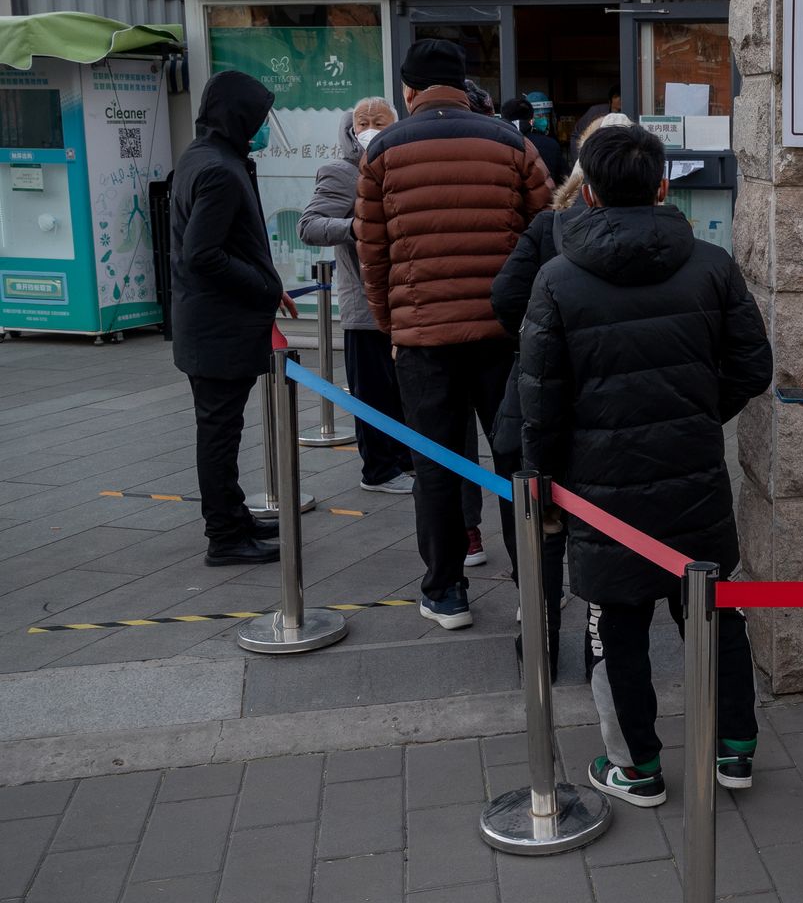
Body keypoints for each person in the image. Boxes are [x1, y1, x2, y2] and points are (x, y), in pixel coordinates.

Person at [519, 123, 771, 809]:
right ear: (663, 185)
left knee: (614, 624)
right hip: (693, 476)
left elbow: (538, 402)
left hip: (599, 492)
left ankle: (638, 768)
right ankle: (735, 750)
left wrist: (542, 482)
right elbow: (754, 366)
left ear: (588, 192)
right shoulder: (711, 264)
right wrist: (695, 413)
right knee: (713, 611)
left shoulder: (558, 279)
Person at [356, 38, 552, 630]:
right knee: (518, 462)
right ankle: (533, 589)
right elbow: (545, 235)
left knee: (435, 466)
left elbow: (374, 254)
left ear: (409, 92)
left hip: (423, 342)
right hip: (503, 337)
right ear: (464, 86)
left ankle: (446, 592)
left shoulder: (383, 152)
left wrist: (395, 327)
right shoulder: (510, 143)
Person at [491, 110, 632, 669]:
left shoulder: (551, 228)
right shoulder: (669, 239)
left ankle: (541, 648)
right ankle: (604, 650)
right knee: (606, 536)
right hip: (615, 415)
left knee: (543, 528)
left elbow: (505, 297)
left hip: (538, 406)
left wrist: (535, 341)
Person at [171, 71, 296, 566]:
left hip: (209, 325)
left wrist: (269, 283)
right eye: (260, 117)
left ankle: (233, 515)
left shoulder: (204, 156)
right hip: (218, 330)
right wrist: (263, 285)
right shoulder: (220, 170)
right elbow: (202, 254)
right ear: (238, 115)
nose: (265, 126)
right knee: (220, 434)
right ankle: (224, 535)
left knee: (222, 431)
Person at [298, 97, 412, 495]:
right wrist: (356, 227)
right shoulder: (340, 171)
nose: (368, 126)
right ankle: (378, 470)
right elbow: (309, 225)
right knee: (373, 393)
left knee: (401, 392)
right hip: (364, 307)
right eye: (361, 120)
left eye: (378, 120)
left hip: (404, 304)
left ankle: (403, 460)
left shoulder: (401, 163)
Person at [501, 95, 565, 183]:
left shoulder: (495, 144)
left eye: (545, 115)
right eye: (539, 115)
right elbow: (564, 180)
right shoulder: (550, 145)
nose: (544, 119)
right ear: (531, 120)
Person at [571, 83, 621, 160]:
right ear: (609, 101)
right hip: (595, 158)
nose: (620, 99)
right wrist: (580, 161)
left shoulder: (632, 115)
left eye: (622, 95)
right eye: (616, 96)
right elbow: (577, 135)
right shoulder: (596, 112)